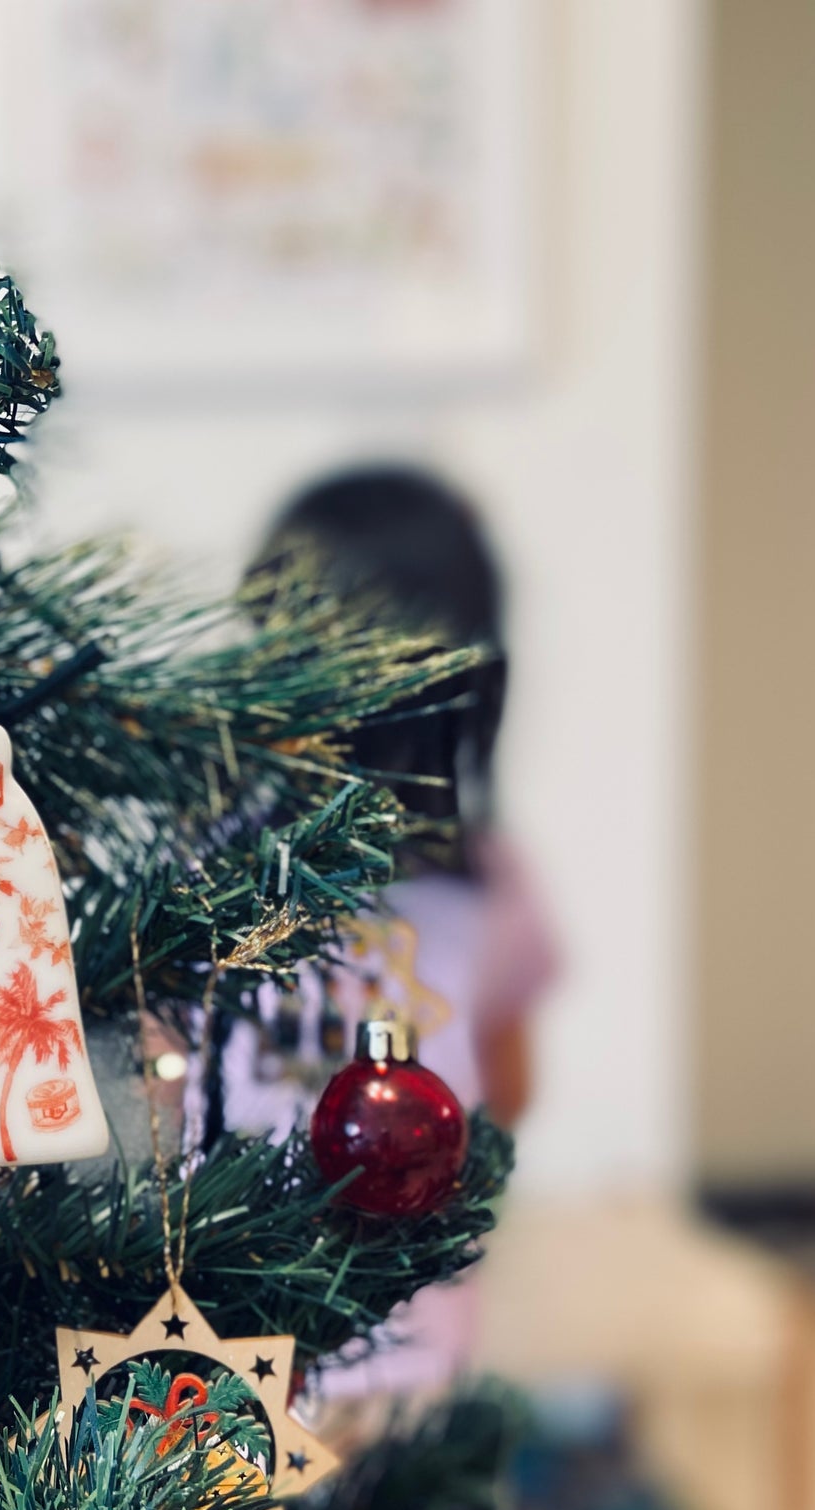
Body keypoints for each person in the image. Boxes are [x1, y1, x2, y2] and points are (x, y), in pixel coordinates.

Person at [216, 465, 558, 1404]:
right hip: (244, 1328)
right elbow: (509, 1088)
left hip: (362, 1338)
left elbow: (510, 1085)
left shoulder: (486, 883)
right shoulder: (205, 870)